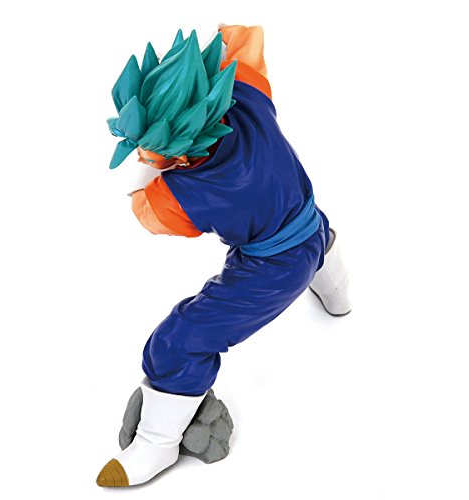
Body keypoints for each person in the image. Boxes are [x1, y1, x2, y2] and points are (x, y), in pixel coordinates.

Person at [96, 23, 352, 487]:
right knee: (314, 235)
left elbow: (150, 214)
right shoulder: (244, 90)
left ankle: (157, 442)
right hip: (308, 214)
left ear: (181, 153)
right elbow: (240, 38)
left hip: (275, 266)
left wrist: (152, 171)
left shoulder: (184, 193)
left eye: (153, 151)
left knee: (177, 341)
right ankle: (337, 294)